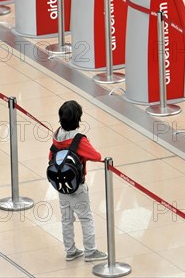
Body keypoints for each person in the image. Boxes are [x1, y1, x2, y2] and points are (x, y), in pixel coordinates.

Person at [51, 100, 107, 262]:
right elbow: (96, 156)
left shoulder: (57, 136)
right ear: (78, 119)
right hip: (77, 186)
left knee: (66, 219)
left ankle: (70, 250)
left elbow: (51, 157)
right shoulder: (79, 140)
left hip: (61, 185)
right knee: (85, 217)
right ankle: (90, 251)